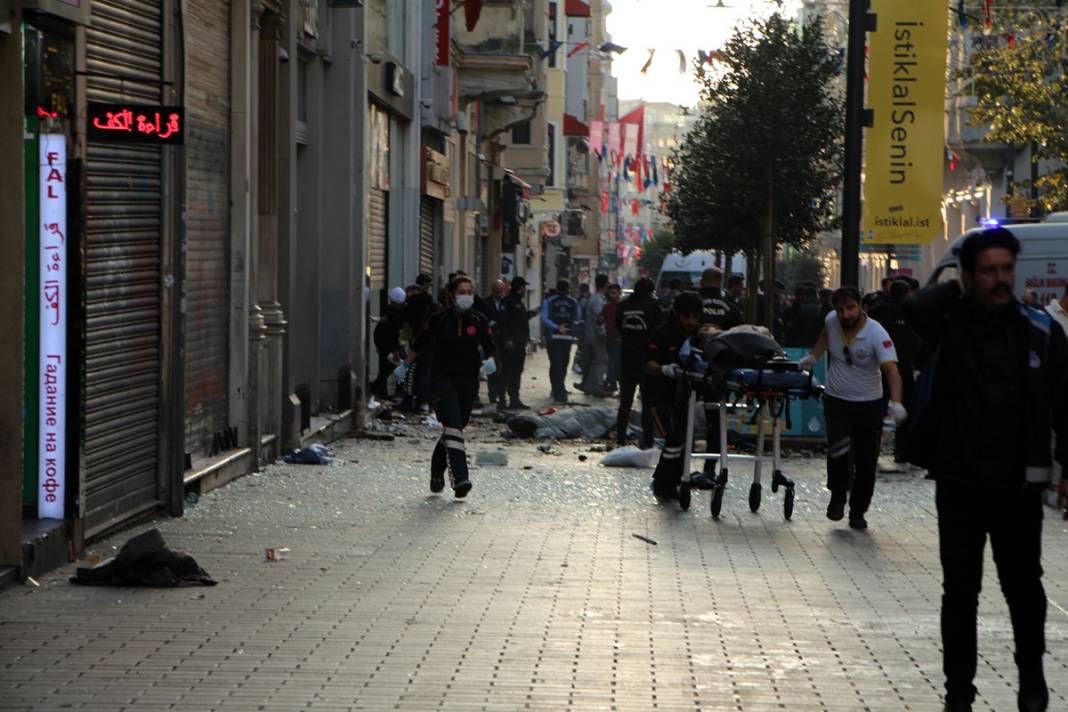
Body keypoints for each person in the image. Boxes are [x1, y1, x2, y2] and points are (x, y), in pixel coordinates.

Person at [903, 227, 1068, 712]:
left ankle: (1032, 679)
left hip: (1020, 483)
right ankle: (959, 691)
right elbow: (913, 309)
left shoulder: (1039, 329)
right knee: (960, 592)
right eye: (989, 271)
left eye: (1006, 270)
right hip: (960, 480)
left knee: (1024, 588)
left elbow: (1066, 402)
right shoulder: (949, 322)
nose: (1000, 279)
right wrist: (955, 283)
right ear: (969, 275)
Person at [801, 286, 906, 530]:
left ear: (860, 306)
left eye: (850, 308)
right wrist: (814, 356)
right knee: (837, 451)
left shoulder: (876, 334)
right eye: (840, 310)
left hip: (869, 404)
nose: (845, 314)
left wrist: (897, 402)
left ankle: (858, 511)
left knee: (866, 462)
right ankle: (837, 497)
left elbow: (892, 371)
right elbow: (825, 335)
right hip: (837, 400)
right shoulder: (832, 321)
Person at [399, 275, 496, 498]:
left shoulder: (478, 320)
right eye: (462, 292)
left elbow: (490, 346)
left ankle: (436, 471)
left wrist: (491, 360)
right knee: (453, 426)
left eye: (470, 292)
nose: (466, 296)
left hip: (468, 380)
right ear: (452, 295)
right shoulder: (439, 319)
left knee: (456, 427)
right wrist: (404, 367)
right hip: (442, 379)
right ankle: (460, 478)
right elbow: (419, 343)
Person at [645, 292, 704, 502]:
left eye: (694, 317)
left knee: (686, 442)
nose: (690, 321)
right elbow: (647, 364)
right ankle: (661, 483)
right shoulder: (661, 333)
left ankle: (672, 483)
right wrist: (664, 369)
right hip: (659, 395)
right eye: (686, 316)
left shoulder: (697, 335)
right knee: (675, 438)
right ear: (677, 314)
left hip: (684, 396)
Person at [868, 280, 919, 463]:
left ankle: (872, 450)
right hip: (904, 365)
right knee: (906, 409)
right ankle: (902, 451)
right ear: (907, 293)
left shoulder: (876, 310)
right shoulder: (911, 311)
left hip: (879, 365)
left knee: (877, 409)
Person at [616, 278, 662, 449]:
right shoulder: (653, 306)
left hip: (627, 359)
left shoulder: (623, 306)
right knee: (648, 404)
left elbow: (619, 327)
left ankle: (620, 439)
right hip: (647, 360)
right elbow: (659, 329)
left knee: (625, 403)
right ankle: (648, 441)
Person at [541, 279, 583, 404]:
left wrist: (556, 327)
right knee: (563, 364)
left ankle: (557, 391)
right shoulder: (573, 302)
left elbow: (544, 317)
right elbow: (578, 318)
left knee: (555, 364)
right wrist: (569, 326)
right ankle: (559, 391)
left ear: (557, 288)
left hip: (552, 337)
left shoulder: (549, 300)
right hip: (567, 337)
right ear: (568, 289)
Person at [499, 277, 535, 410]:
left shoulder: (519, 302)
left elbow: (519, 319)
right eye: (524, 287)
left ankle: (514, 399)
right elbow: (503, 322)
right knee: (507, 371)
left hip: (520, 342)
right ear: (520, 287)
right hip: (511, 343)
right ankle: (502, 400)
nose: (525, 289)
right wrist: (507, 339)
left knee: (517, 371)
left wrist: (530, 314)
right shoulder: (508, 301)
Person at [370, 287, 407, 399]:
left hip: (384, 343)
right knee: (395, 367)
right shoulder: (395, 314)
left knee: (388, 368)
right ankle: (381, 389)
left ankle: (380, 389)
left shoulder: (391, 312)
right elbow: (393, 334)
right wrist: (396, 351)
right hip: (387, 345)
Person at [578, 274, 611, 396]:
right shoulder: (598, 300)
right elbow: (599, 319)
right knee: (601, 361)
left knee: (596, 361)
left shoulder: (596, 298)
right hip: (596, 336)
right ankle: (597, 386)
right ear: (605, 285)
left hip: (591, 334)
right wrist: (603, 334)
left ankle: (589, 385)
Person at [479, 280, 509, 408]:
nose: (499, 294)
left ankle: (502, 395)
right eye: (497, 291)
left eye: (501, 291)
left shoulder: (506, 303)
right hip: (490, 339)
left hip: (504, 339)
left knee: (504, 369)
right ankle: (493, 394)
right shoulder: (485, 302)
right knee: (492, 367)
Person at [782, 284, 824, 349]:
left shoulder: (803, 309)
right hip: (810, 344)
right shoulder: (818, 309)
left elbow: (793, 328)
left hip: (798, 344)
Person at [603, 284, 623, 393]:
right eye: (610, 293)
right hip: (610, 337)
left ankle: (609, 383)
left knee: (613, 362)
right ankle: (613, 384)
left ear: (619, 293)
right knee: (613, 362)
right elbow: (600, 320)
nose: (612, 295)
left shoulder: (623, 306)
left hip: (619, 338)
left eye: (614, 293)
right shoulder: (607, 306)